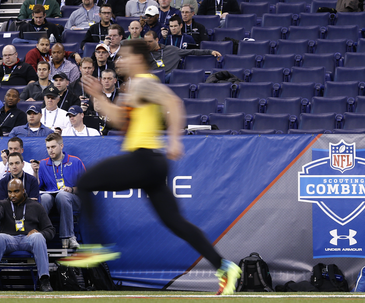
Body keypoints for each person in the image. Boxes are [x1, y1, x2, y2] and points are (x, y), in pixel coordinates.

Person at [65, 39, 242, 296]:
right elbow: (120, 120)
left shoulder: (143, 82)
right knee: (176, 222)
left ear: (137, 58)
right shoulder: (134, 87)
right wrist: (98, 96)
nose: (120, 61)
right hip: (151, 166)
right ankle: (224, 266)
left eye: (124, 56)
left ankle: (97, 247)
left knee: (86, 181)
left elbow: (174, 103)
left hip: (145, 159)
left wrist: (174, 140)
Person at [0, 178, 55, 292]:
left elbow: (50, 230)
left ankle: (44, 280)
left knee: (38, 237)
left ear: (23, 190)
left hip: (29, 239)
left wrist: (40, 232)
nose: (12, 195)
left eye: (16, 191)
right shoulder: (3, 204)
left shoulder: (36, 206)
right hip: (10, 240)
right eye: (10, 192)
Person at [33, 132, 86, 250]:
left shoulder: (75, 161)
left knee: (62, 195)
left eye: (53, 147)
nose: (50, 150)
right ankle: (40, 237)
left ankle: (68, 237)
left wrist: (71, 189)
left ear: (61, 146)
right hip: (51, 199)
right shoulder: (43, 164)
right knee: (45, 197)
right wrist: (35, 172)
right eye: (48, 148)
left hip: (72, 199)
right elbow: (37, 188)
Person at [145, 30, 221, 79]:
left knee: (174, 75)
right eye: (146, 42)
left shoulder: (172, 50)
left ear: (157, 40)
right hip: (153, 78)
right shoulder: (144, 54)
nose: (147, 44)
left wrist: (210, 51)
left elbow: (192, 51)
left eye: (150, 41)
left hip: (169, 77)